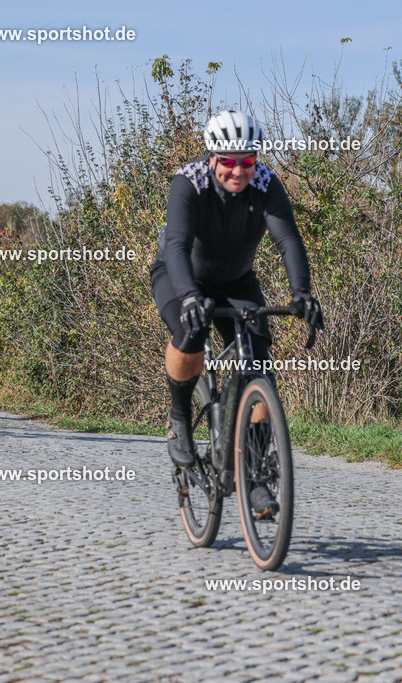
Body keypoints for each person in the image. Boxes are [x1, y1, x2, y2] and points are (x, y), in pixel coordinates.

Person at [149, 110, 324, 515]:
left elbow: (288, 240)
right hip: (180, 277)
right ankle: (179, 419)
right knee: (190, 333)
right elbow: (175, 245)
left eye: (247, 161)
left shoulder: (265, 184)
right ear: (212, 159)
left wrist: (302, 293)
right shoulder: (188, 182)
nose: (238, 171)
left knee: (259, 369)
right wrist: (190, 296)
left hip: (237, 282)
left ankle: (258, 478)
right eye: (229, 162)